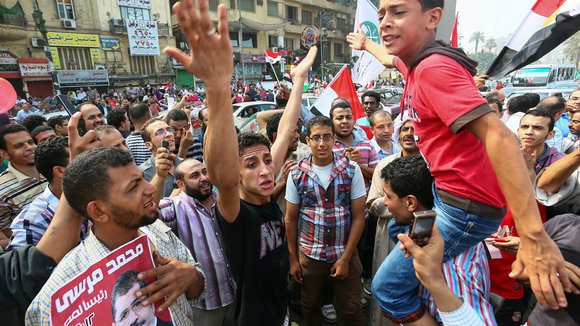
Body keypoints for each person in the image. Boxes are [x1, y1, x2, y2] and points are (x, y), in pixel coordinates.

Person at [357, 0, 570, 322]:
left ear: (433, 18)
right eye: (381, 14)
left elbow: (500, 138)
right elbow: (389, 59)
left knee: (387, 288)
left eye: (398, 12)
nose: (385, 22)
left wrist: (533, 236)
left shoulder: (432, 69)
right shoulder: (417, 63)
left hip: (462, 211)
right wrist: (364, 43)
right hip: (449, 201)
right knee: (406, 247)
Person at [164, 1, 316, 322]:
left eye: (266, 160)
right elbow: (224, 178)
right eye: (250, 164)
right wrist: (218, 87)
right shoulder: (235, 211)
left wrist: (299, 79)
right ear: (238, 172)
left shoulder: (265, 185)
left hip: (282, 312)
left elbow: (286, 131)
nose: (264, 169)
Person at [25, 147, 207, 324]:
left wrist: (191, 276)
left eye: (142, 179)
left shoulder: (158, 230)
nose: (151, 189)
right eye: (133, 187)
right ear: (98, 210)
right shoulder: (60, 292)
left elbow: (196, 290)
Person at [379, 155, 495, 324]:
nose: (384, 202)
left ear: (411, 203)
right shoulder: (418, 234)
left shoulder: (451, 269)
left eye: (389, 196)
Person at [285, 115, 366, 325]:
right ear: (308, 141)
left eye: (327, 137)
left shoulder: (351, 169)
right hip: (310, 255)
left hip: (344, 251)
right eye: (316, 138)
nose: (322, 143)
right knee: (309, 304)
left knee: (353, 308)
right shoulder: (296, 174)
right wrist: (294, 260)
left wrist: (346, 258)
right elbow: (291, 219)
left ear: (334, 139)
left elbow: (359, 217)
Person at [158, 159, 235, 325]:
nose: (204, 178)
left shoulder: (224, 200)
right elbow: (147, 215)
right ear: (181, 184)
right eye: (195, 175)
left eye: (205, 172)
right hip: (204, 306)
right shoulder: (174, 207)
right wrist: (159, 176)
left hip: (236, 295)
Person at [366, 113, 420, 326]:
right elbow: (373, 205)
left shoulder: (433, 165)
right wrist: (402, 207)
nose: (409, 133)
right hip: (390, 237)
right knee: (387, 288)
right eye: (405, 129)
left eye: (414, 129)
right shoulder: (385, 165)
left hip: (422, 237)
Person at [8, 136, 89, 250]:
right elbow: (24, 266)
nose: (95, 168)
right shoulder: (31, 224)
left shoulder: (99, 195)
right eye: (83, 163)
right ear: (60, 171)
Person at [0, 125, 47, 244]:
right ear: (4, 154)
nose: (30, 147)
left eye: (30, 142)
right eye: (19, 146)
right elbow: (10, 233)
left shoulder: (53, 168)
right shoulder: (2, 190)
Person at [139, 118, 182, 198]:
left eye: (169, 130)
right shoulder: (143, 174)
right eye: (160, 132)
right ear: (149, 145)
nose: (169, 134)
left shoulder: (184, 164)